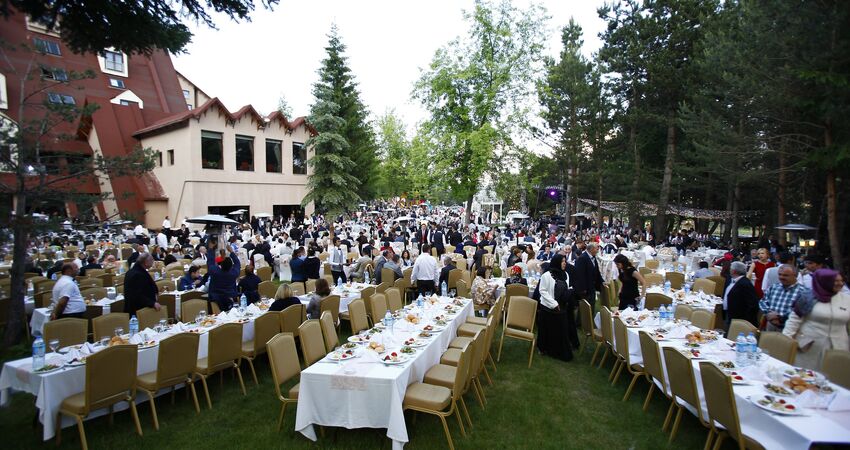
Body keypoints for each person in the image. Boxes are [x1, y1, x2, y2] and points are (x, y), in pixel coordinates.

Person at [783, 269, 850, 370]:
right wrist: (786, 341)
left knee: (833, 378)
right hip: (809, 347)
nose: (840, 284)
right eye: (836, 281)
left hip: (838, 348)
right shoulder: (808, 297)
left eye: (842, 281)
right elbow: (794, 320)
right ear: (824, 281)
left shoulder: (847, 299)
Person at [536, 254, 576, 361]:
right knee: (546, 330)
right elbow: (543, 291)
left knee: (560, 330)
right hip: (548, 307)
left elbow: (565, 288)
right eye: (562, 261)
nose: (564, 263)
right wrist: (554, 303)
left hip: (562, 307)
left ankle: (557, 350)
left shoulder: (566, 274)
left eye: (565, 261)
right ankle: (544, 348)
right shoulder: (547, 276)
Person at [759, 264, 809, 331]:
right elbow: (763, 302)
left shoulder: (803, 292)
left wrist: (779, 318)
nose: (781, 277)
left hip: (790, 326)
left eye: (785, 275)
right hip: (771, 324)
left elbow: (800, 310)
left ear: (795, 276)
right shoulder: (774, 287)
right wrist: (768, 313)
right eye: (780, 274)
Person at [724, 261, 759, 327]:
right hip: (730, 314)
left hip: (739, 319)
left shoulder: (745, 284)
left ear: (733, 271)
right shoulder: (733, 280)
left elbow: (753, 305)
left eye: (730, 269)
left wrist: (744, 322)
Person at [207, 243, 241, 311]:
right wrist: (231, 252)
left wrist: (211, 250)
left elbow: (210, 262)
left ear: (221, 265)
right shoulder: (233, 273)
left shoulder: (215, 272)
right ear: (231, 266)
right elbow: (237, 263)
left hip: (215, 299)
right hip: (230, 297)